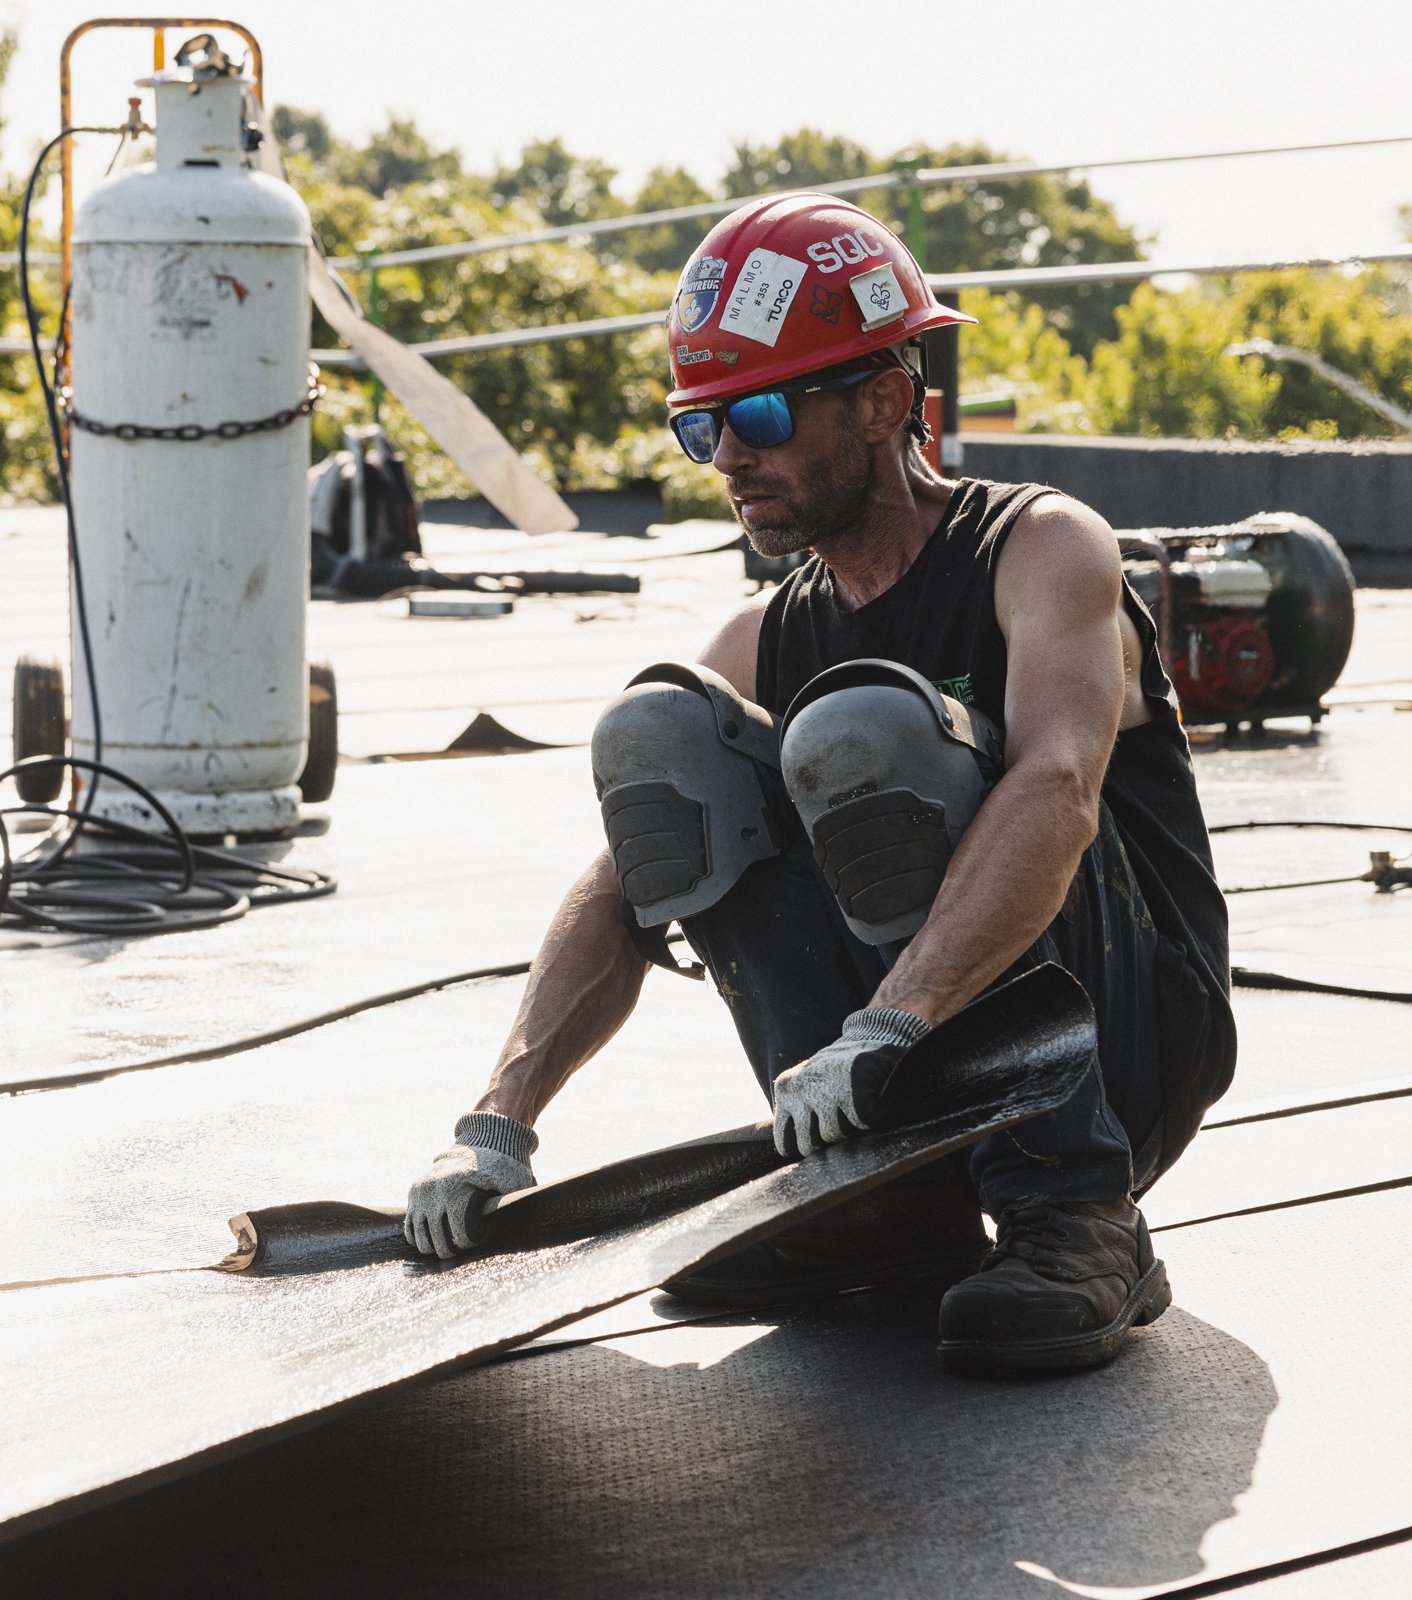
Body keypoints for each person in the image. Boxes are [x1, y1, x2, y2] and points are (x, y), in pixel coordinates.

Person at [401, 195, 1236, 1374]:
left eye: (758, 415)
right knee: (667, 746)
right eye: (702, 428)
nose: (729, 457)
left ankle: (1075, 1212)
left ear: (885, 401)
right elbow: (623, 877)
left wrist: (892, 1019)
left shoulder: (1040, 548)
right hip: (894, 1062)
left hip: (1122, 1037)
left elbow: (1057, 787)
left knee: (870, 728)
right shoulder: (764, 631)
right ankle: (876, 1207)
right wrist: (496, 1120)